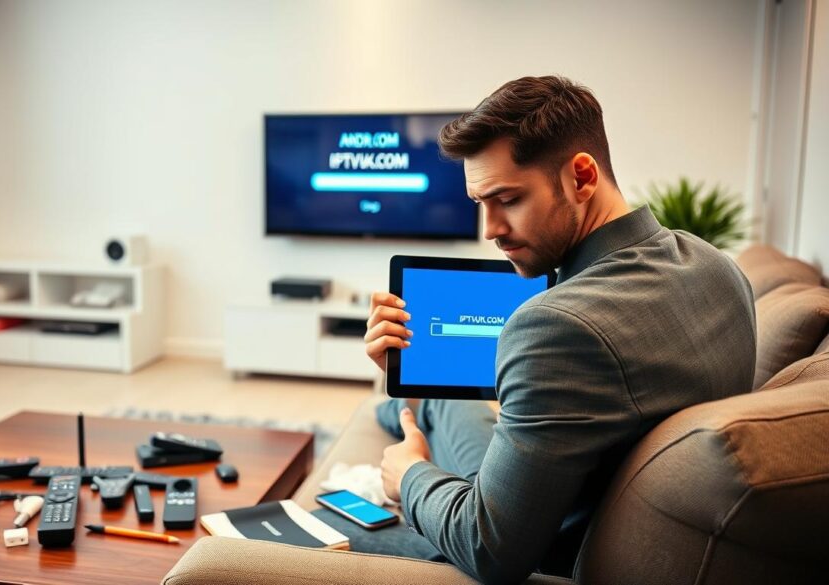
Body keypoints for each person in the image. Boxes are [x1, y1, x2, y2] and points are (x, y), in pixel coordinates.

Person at [318, 76, 757, 584]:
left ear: (582, 177)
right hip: (564, 483)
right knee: (444, 400)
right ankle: (405, 401)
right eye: (480, 202)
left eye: (508, 199)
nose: (490, 229)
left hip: (547, 550)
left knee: (325, 519)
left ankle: (404, 428)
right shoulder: (718, 266)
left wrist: (410, 477)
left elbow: (489, 549)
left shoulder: (557, 326)